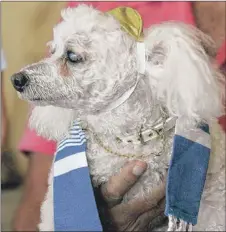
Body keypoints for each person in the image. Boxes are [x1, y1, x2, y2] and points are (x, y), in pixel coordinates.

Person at [13, 1, 226, 231]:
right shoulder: (98, 6)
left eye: (73, 57)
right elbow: (36, 203)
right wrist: (91, 222)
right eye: (57, 52)